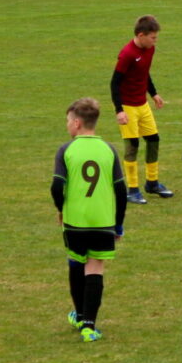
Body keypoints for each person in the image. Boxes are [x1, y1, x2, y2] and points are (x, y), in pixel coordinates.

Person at [50, 97, 127, 342]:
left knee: (75, 262)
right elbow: (121, 191)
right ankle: (89, 327)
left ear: (77, 123)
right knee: (95, 268)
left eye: (68, 121)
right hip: (103, 221)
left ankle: (80, 315)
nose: (67, 125)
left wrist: (61, 209)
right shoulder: (109, 150)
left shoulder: (66, 150)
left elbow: (56, 186)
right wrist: (118, 223)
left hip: (75, 221)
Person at [110, 14, 173, 204]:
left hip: (142, 105)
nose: (155, 41)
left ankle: (152, 183)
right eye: (153, 37)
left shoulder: (149, 49)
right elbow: (114, 83)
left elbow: (144, 73)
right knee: (132, 146)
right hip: (128, 107)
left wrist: (154, 94)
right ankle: (132, 189)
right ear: (141, 35)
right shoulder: (127, 54)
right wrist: (119, 110)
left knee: (153, 140)